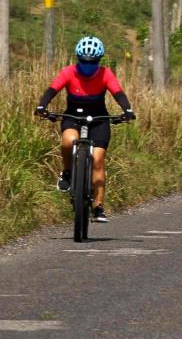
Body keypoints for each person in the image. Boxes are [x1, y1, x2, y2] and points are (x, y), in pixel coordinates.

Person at [35, 36, 135, 223]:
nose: (88, 66)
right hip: (73, 117)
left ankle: (98, 207)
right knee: (67, 141)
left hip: (99, 120)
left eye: (93, 63)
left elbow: (118, 92)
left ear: (99, 61)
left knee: (98, 159)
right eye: (84, 62)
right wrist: (42, 106)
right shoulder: (69, 72)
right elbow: (52, 90)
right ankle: (67, 172)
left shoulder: (106, 74)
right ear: (78, 59)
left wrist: (127, 110)